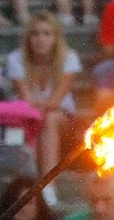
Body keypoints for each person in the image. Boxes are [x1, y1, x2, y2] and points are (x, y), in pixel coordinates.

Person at [6, 13, 80, 175]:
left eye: (47, 34)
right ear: (28, 38)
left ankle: (48, 185)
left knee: (50, 118)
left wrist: (40, 108)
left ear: (55, 38)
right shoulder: (16, 59)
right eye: (35, 34)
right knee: (39, 120)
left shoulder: (69, 58)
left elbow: (55, 102)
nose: (41, 39)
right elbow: (27, 102)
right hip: (29, 118)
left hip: (62, 119)